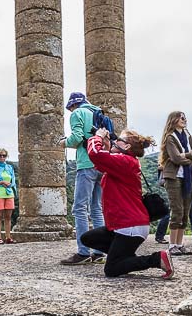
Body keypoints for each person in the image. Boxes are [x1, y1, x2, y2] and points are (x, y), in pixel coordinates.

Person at [80, 128, 175, 279]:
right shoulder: (123, 162)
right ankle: (126, 257)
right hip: (121, 225)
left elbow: (95, 155)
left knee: (111, 269)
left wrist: (97, 137)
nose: (115, 141)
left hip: (130, 226)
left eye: (119, 140)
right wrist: (106, 146)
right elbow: (101, 164)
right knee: (88, 238)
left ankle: (157, 259)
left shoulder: (126, 162)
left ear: (127, 147)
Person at [57, 92, 106, 265]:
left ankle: (83, 251)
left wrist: (64, 142)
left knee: (79, 209)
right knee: (97, 209)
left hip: (86, 164)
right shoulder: (99, 113)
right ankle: (99, 252)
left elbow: (77, 138)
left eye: (70, 108)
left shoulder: (78, 113)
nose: (70, 111)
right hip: (102, 164)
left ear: (73, 105)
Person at [159, 111, 192, 256]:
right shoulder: (170, 137)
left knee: (185, 211)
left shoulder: (187, 135)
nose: (184, 119)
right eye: (181, 117)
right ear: (174, 120)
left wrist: (186, 155)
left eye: (185, 117)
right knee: (177, 210)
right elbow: (176, 158)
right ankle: (172, 245)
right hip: (174, 177)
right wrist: (190, 155)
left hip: (189, 176)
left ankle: (179, 244)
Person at [0, 148, 17, 244]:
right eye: (0, 155)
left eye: (4, 155)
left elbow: (13, 179)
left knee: (8, 216)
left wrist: (10, 184)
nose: (2, 157)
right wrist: (1, 182)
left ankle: (8, 237)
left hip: (9, 193)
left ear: (6, 156)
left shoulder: (10, 167)